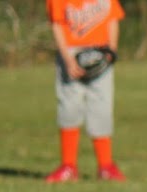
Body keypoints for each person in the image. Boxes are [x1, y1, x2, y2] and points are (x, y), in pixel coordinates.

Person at [44, 0, 126, 182]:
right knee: (69, 108)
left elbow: (112, 19)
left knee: (102, 108)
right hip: (71, 54)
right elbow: (57, 25)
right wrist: (67, 59)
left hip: (101, 50)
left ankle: (106, 166)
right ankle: (68, 166)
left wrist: (111, 51)